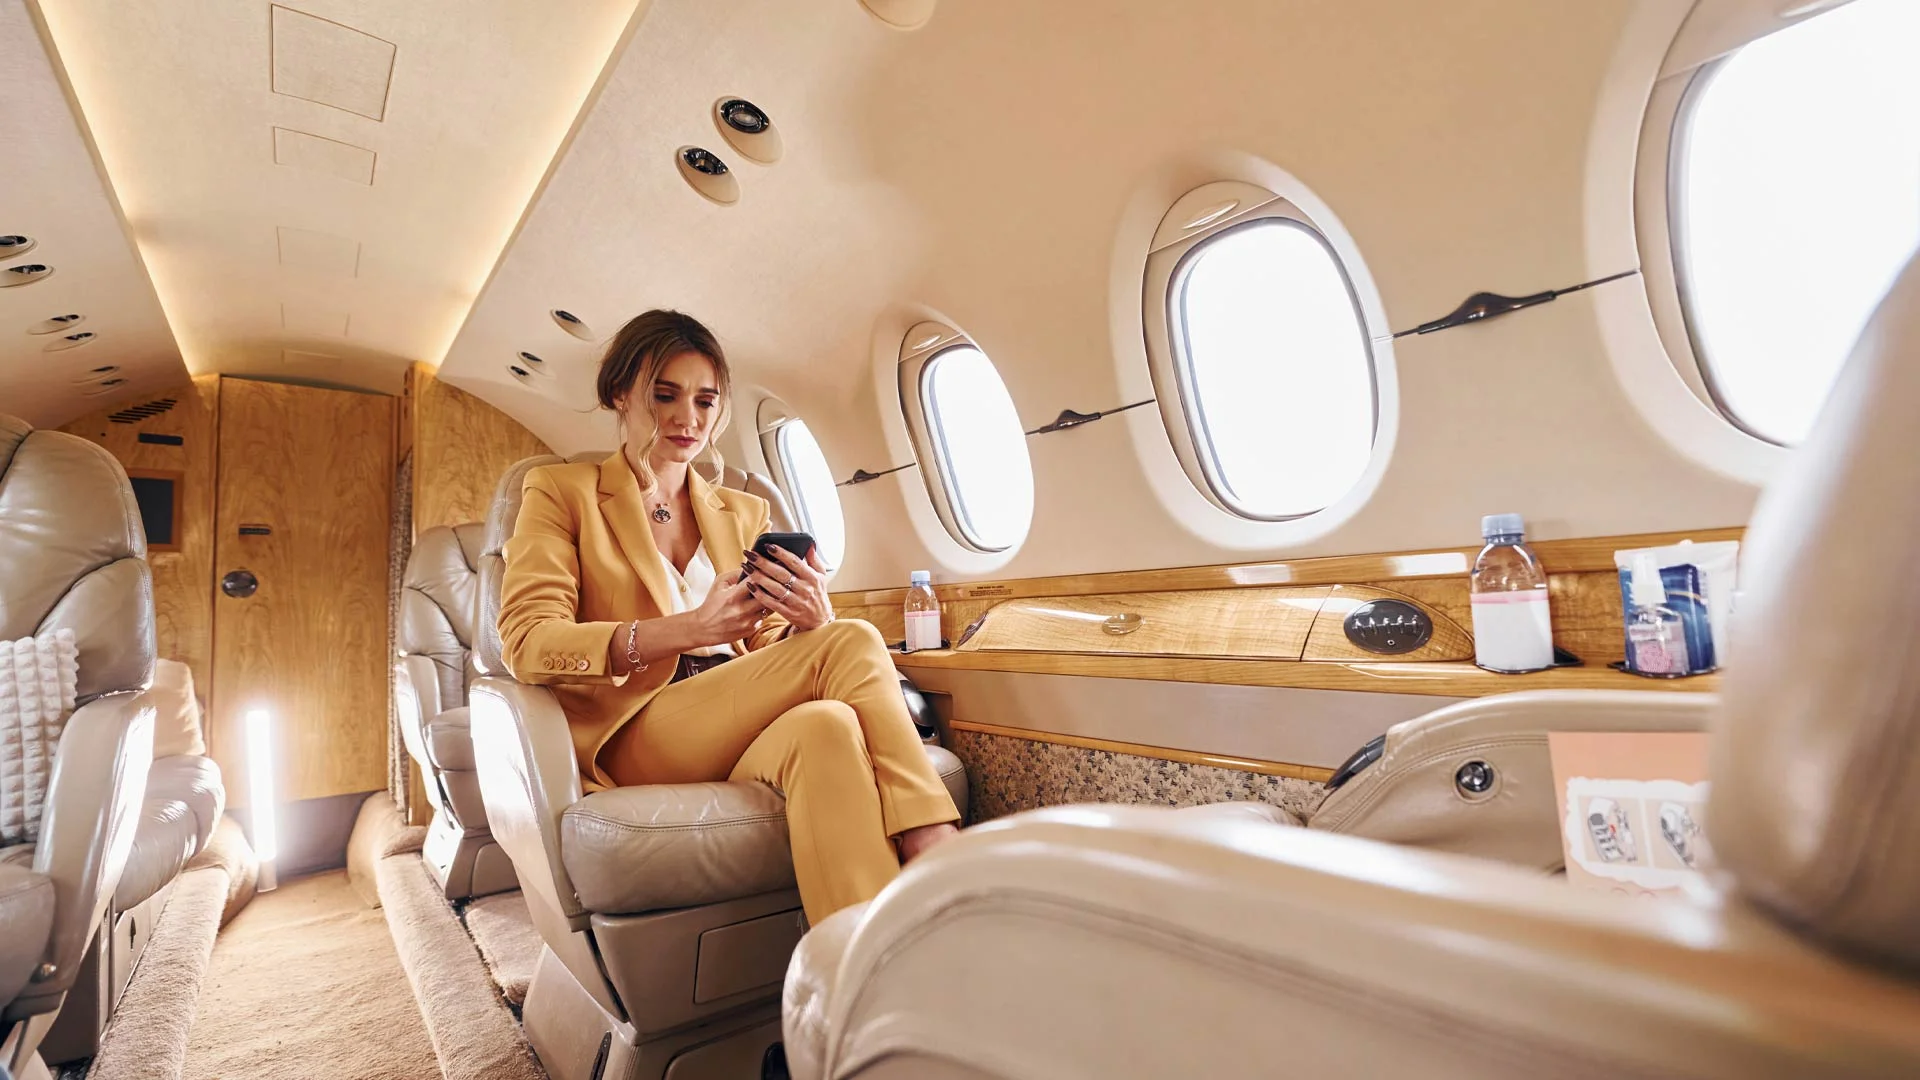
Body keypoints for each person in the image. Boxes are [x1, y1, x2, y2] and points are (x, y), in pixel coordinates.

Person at [497, 309, 960, 922]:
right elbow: (528, 642)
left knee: (826, 725)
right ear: (619, 394)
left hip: (735, 712)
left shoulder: (743, 511)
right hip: (636, 730)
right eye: (665, 395)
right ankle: (931, 836)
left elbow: (767, 644)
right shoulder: (562, 492)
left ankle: (869, 963)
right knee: (852, 639)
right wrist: (688, 630)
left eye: (705, 400)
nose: (687, 418)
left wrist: (807, 621)